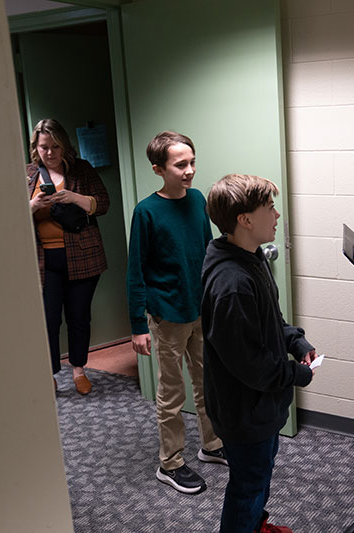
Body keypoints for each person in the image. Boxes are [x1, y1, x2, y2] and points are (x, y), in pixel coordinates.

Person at [202, 174, 318, 533]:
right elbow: (249, 363)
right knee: (248, 484)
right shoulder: (231, 285)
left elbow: (271, 319)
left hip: (260, 404)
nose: (277, 215)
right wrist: (294, 375)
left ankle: (253, 524)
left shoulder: (252, 258)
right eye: (269, 208)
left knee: (260, 473)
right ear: (245, 220)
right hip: (243, 408)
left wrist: (294, 342)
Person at [126, 131, 225, 495]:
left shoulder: (198, 200)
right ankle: (171, 462)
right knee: (171, 394)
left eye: (192, 162)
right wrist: (138, 325)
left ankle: (211, 444)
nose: (189, 171)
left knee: (206, 384)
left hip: (200, 310)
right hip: (167, 316)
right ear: (158, 169)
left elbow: (207, 250)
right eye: (180, 165)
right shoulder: (146, 212)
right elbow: (135, 272)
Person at [27, 118, 109, 395]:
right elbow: (9, 216)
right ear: (35, 148)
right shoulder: (27, 174)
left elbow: (102, 204)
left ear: (64, 146)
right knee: (48, 319)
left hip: (83, 257)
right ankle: (48, 372)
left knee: (79, 317)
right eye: (44, 147)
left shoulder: (81, 170)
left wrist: (73, 197)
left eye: (55, 147)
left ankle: (78, 370)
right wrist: (33, 204)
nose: (49, 153)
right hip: (43, 261)